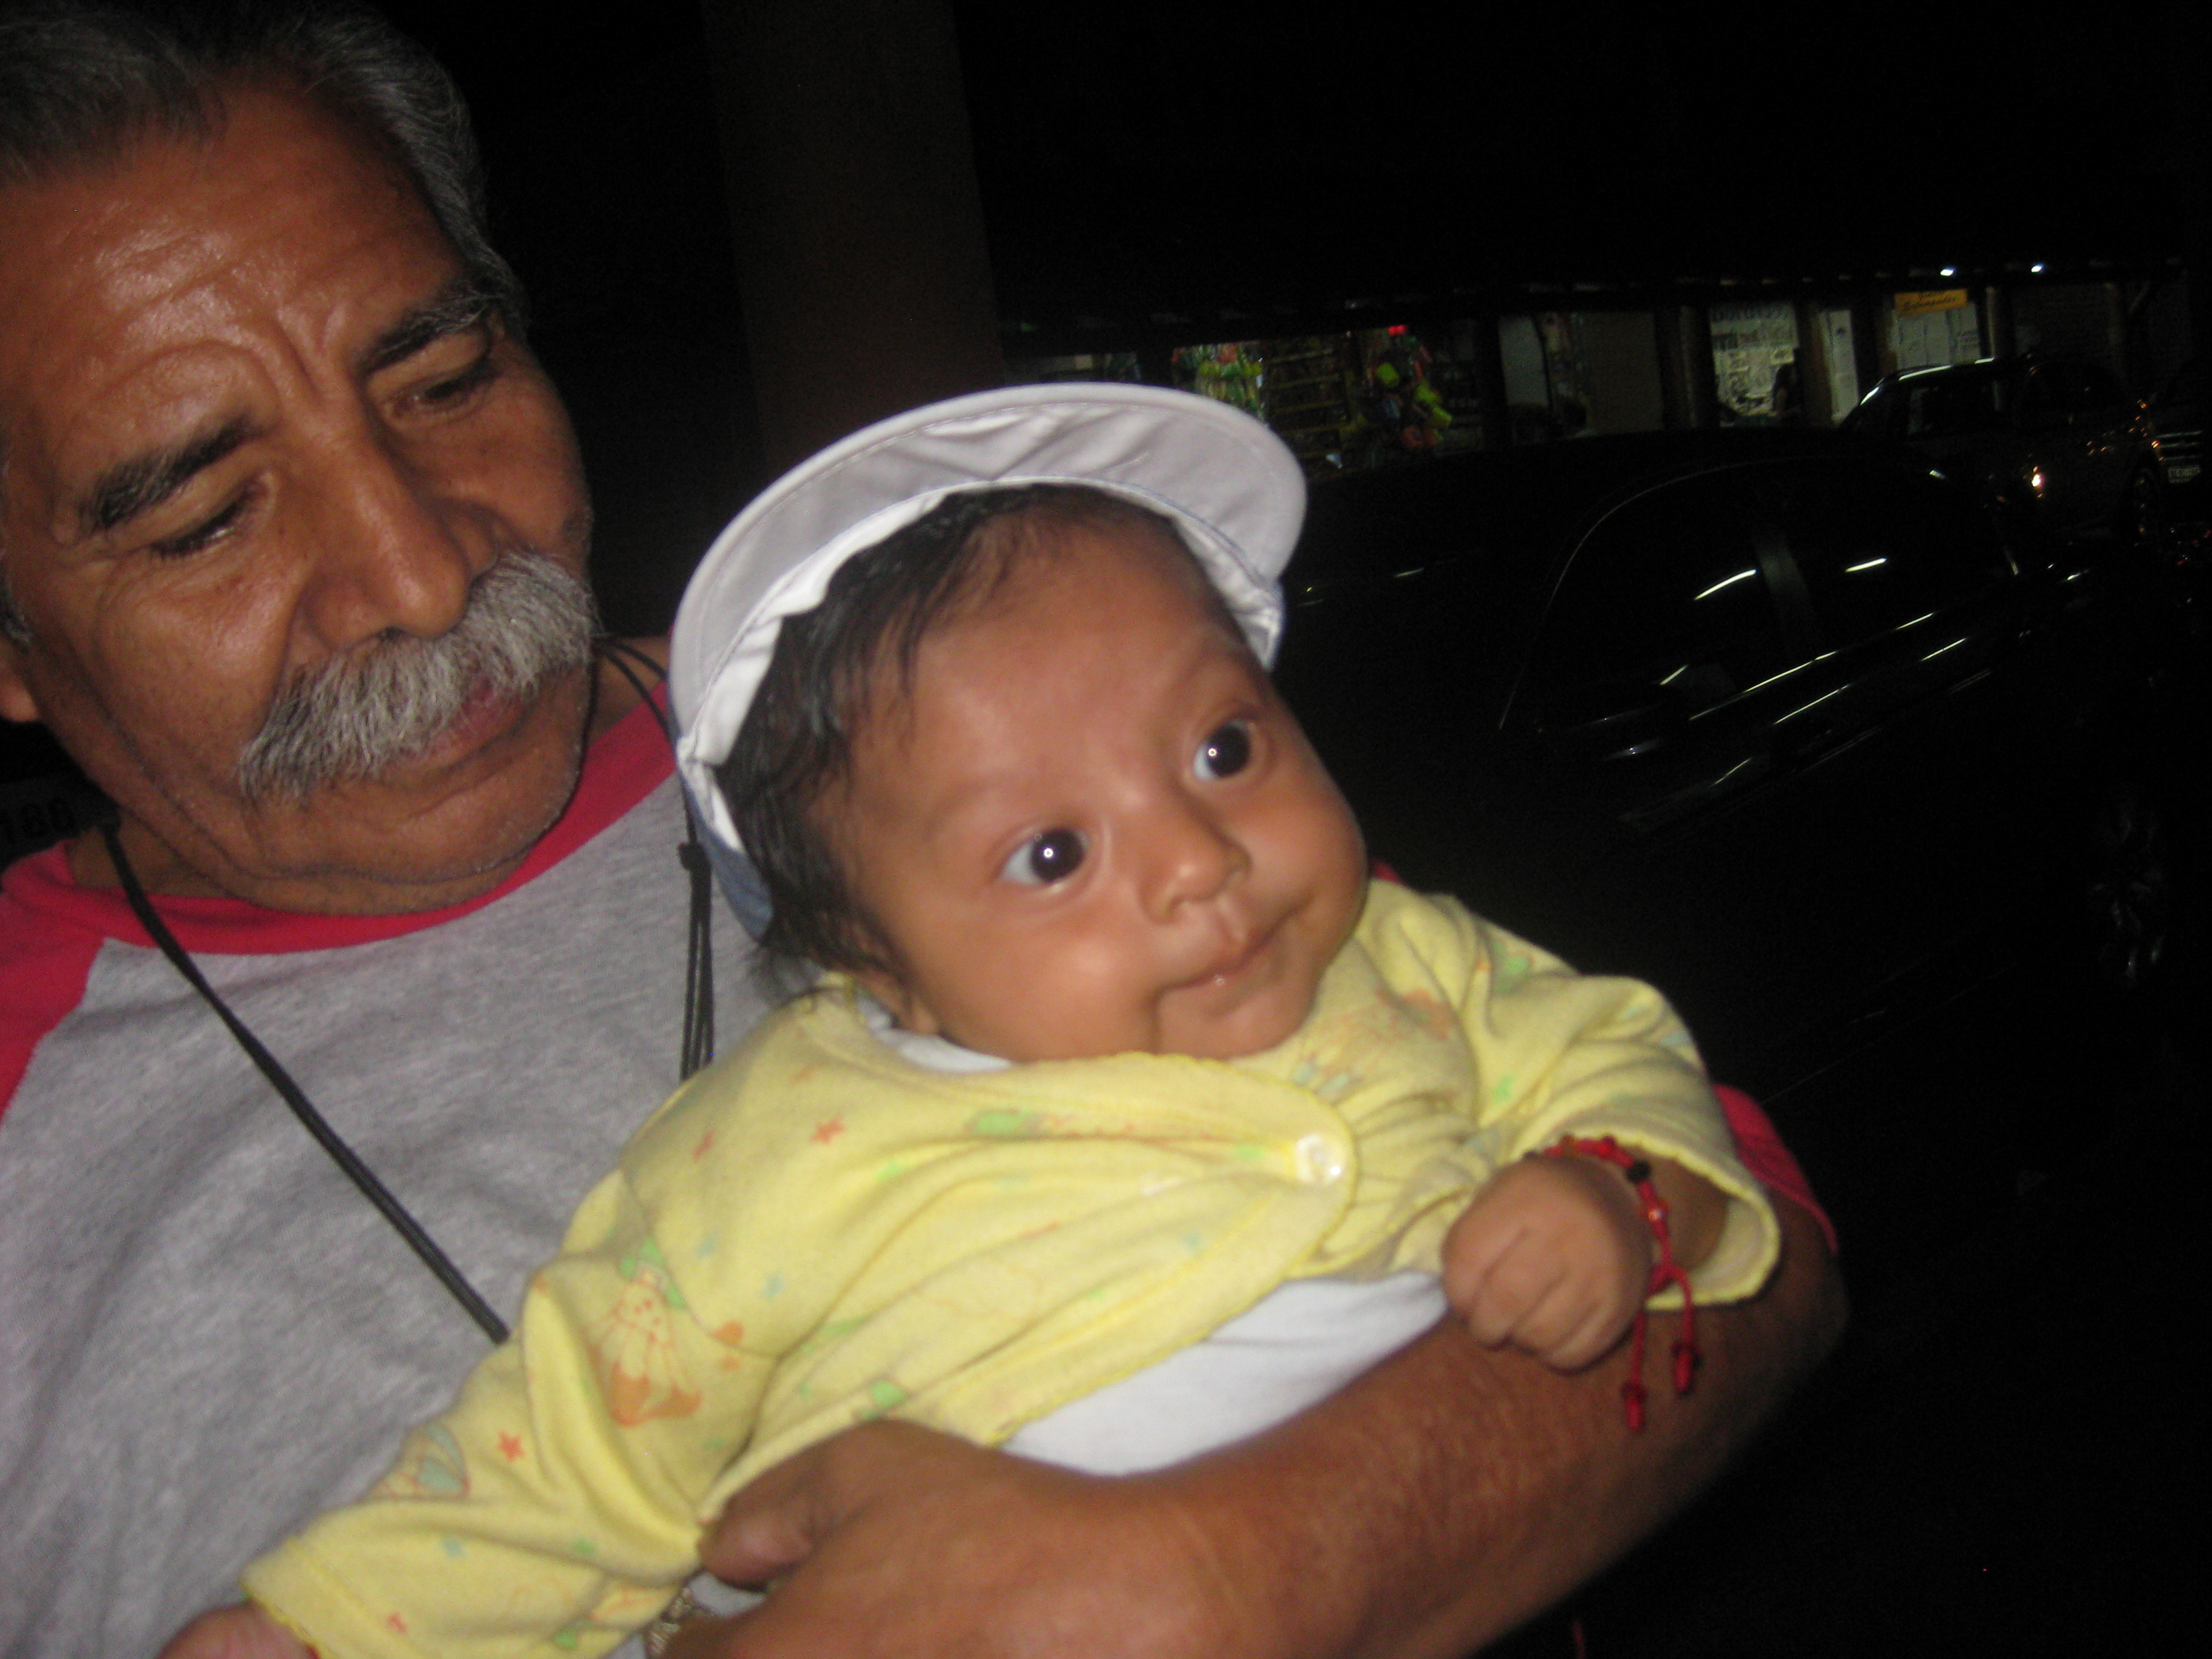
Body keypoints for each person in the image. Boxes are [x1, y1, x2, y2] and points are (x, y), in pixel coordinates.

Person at [0, 4, 1845, 1658]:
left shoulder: (1010, 730)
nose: (419, 569)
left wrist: (1240, 1568)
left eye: (445, 383)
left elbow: (1755, 1241)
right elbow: (556, 1467)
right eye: (205, 518)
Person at [180, 388, 1781, 1659]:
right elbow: (573, 1446)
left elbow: (1618, 1052)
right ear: (876, 964)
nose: (1200, 862)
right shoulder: (781, 1149)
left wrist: (1616, 1192)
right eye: (1052, 855)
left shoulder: (1400, 952)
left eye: (1224, 749)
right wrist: (328, 1625)